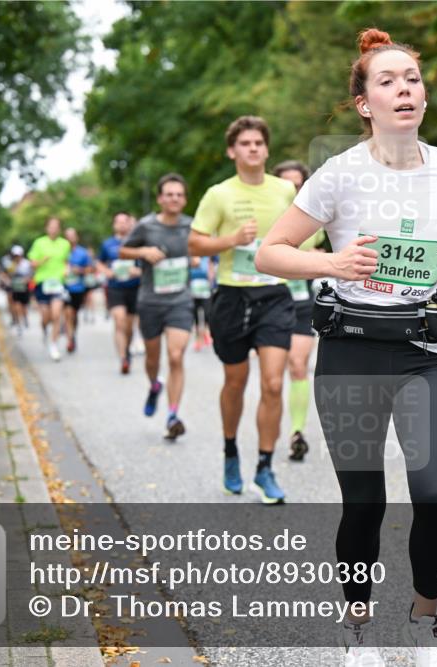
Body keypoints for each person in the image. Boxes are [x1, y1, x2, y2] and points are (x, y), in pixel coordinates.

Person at [255, 29, 437, 667]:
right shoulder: (339, 174)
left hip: (428, 351)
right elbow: (269, 252)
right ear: (365, 103)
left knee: (434, 493)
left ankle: (424, 623)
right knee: (365, 501)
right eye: (387, 82)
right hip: (353, 350)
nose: (403, 89)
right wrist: (334, 260)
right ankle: (358, 630)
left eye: (411, 79)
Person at [188, 115, 297, 504]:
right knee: (235, 382)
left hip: (274, 295)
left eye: (258, 143)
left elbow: (307, 236)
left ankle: (265, 467)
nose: (253, 148)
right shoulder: (219, 194)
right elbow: (195, 244)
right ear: (232, 151)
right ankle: (231, 451)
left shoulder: (286, 190)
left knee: (272, 382)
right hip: (232, 297)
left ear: (267, 149)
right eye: (245, 143)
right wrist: (232, 239)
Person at [120, 173, 194, 440]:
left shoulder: (191, 226)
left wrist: (195, 258)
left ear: (184, 199)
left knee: (175, 356)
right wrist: (142, 252)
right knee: (153, 358)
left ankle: (173, 414)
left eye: (179, 194)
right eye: (169, 194)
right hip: (151, 301)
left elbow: (202, 248)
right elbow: (123, 251)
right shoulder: (145, 226)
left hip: (180, 300)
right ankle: (154, 385)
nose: (174, 198)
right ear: (160, 198)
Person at [273, 160, 326, 461]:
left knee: (297, 364)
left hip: (302, 299)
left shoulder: (317, 221)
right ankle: (272, 422)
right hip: (268, 300)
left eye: (298, 184)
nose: (293, 189)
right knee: (273, 376)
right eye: (286, 184)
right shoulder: (266, 216)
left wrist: (319, 257)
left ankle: (297, 432)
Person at [97, 212, 142, 374]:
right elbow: (99, 263)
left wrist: (138, 271)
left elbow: (145, 266)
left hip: (134, 288)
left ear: (130, 224)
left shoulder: (137, 243)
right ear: (114, 225)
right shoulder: (107, 244)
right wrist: (106, 272)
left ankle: (128, 351)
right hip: (115, 287)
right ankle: (123, 358)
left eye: (125, 222)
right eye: (119, 222)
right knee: (119, 321)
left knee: (129, 327)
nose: (122, 225)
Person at [28, 217, 72, 362]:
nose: (53, 229)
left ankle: (54, 345)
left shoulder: (65, 244)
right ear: (47, 228)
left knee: (57, 314)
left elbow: (66, 262)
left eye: (56, 227)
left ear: (59, 229)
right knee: (46, 316)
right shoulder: (39, 243)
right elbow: (32, 264)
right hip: (43, 282)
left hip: (58, 283)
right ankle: (44, 329)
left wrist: (67, 270)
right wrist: (42, 261)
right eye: (51, 226)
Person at [63, 228, 93, 353]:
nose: (70, 238)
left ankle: (73, 334)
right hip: (63, 288)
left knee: (74, 314)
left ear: (76, 237)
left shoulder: (83, 252)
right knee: (68, 314)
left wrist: (78, 270)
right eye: (67, 236)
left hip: (78, 288)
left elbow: (89, 269)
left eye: (72, 236)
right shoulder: (61, 251)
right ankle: (69, 339)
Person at [189, 254, 215, 351]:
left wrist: (211, 278)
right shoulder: (191, 254)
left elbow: (211, 267)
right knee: (196, 316)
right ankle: (198, 339)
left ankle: (206, 334)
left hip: (205, 289)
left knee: (207, 313)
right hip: (193, 288)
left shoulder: (208, 256)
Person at [4, 245, 32, 334]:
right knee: (17, 305)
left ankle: (25, 318)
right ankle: (19, 323)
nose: (17, 257)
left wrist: (26, 280)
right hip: (15, 288)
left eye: (18, 255)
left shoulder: (26, 264)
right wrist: (8, 281)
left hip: (24, 288)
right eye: (15, 255)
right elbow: (7, 275)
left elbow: (31, 274)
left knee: (24, 306)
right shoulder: (11, 264)